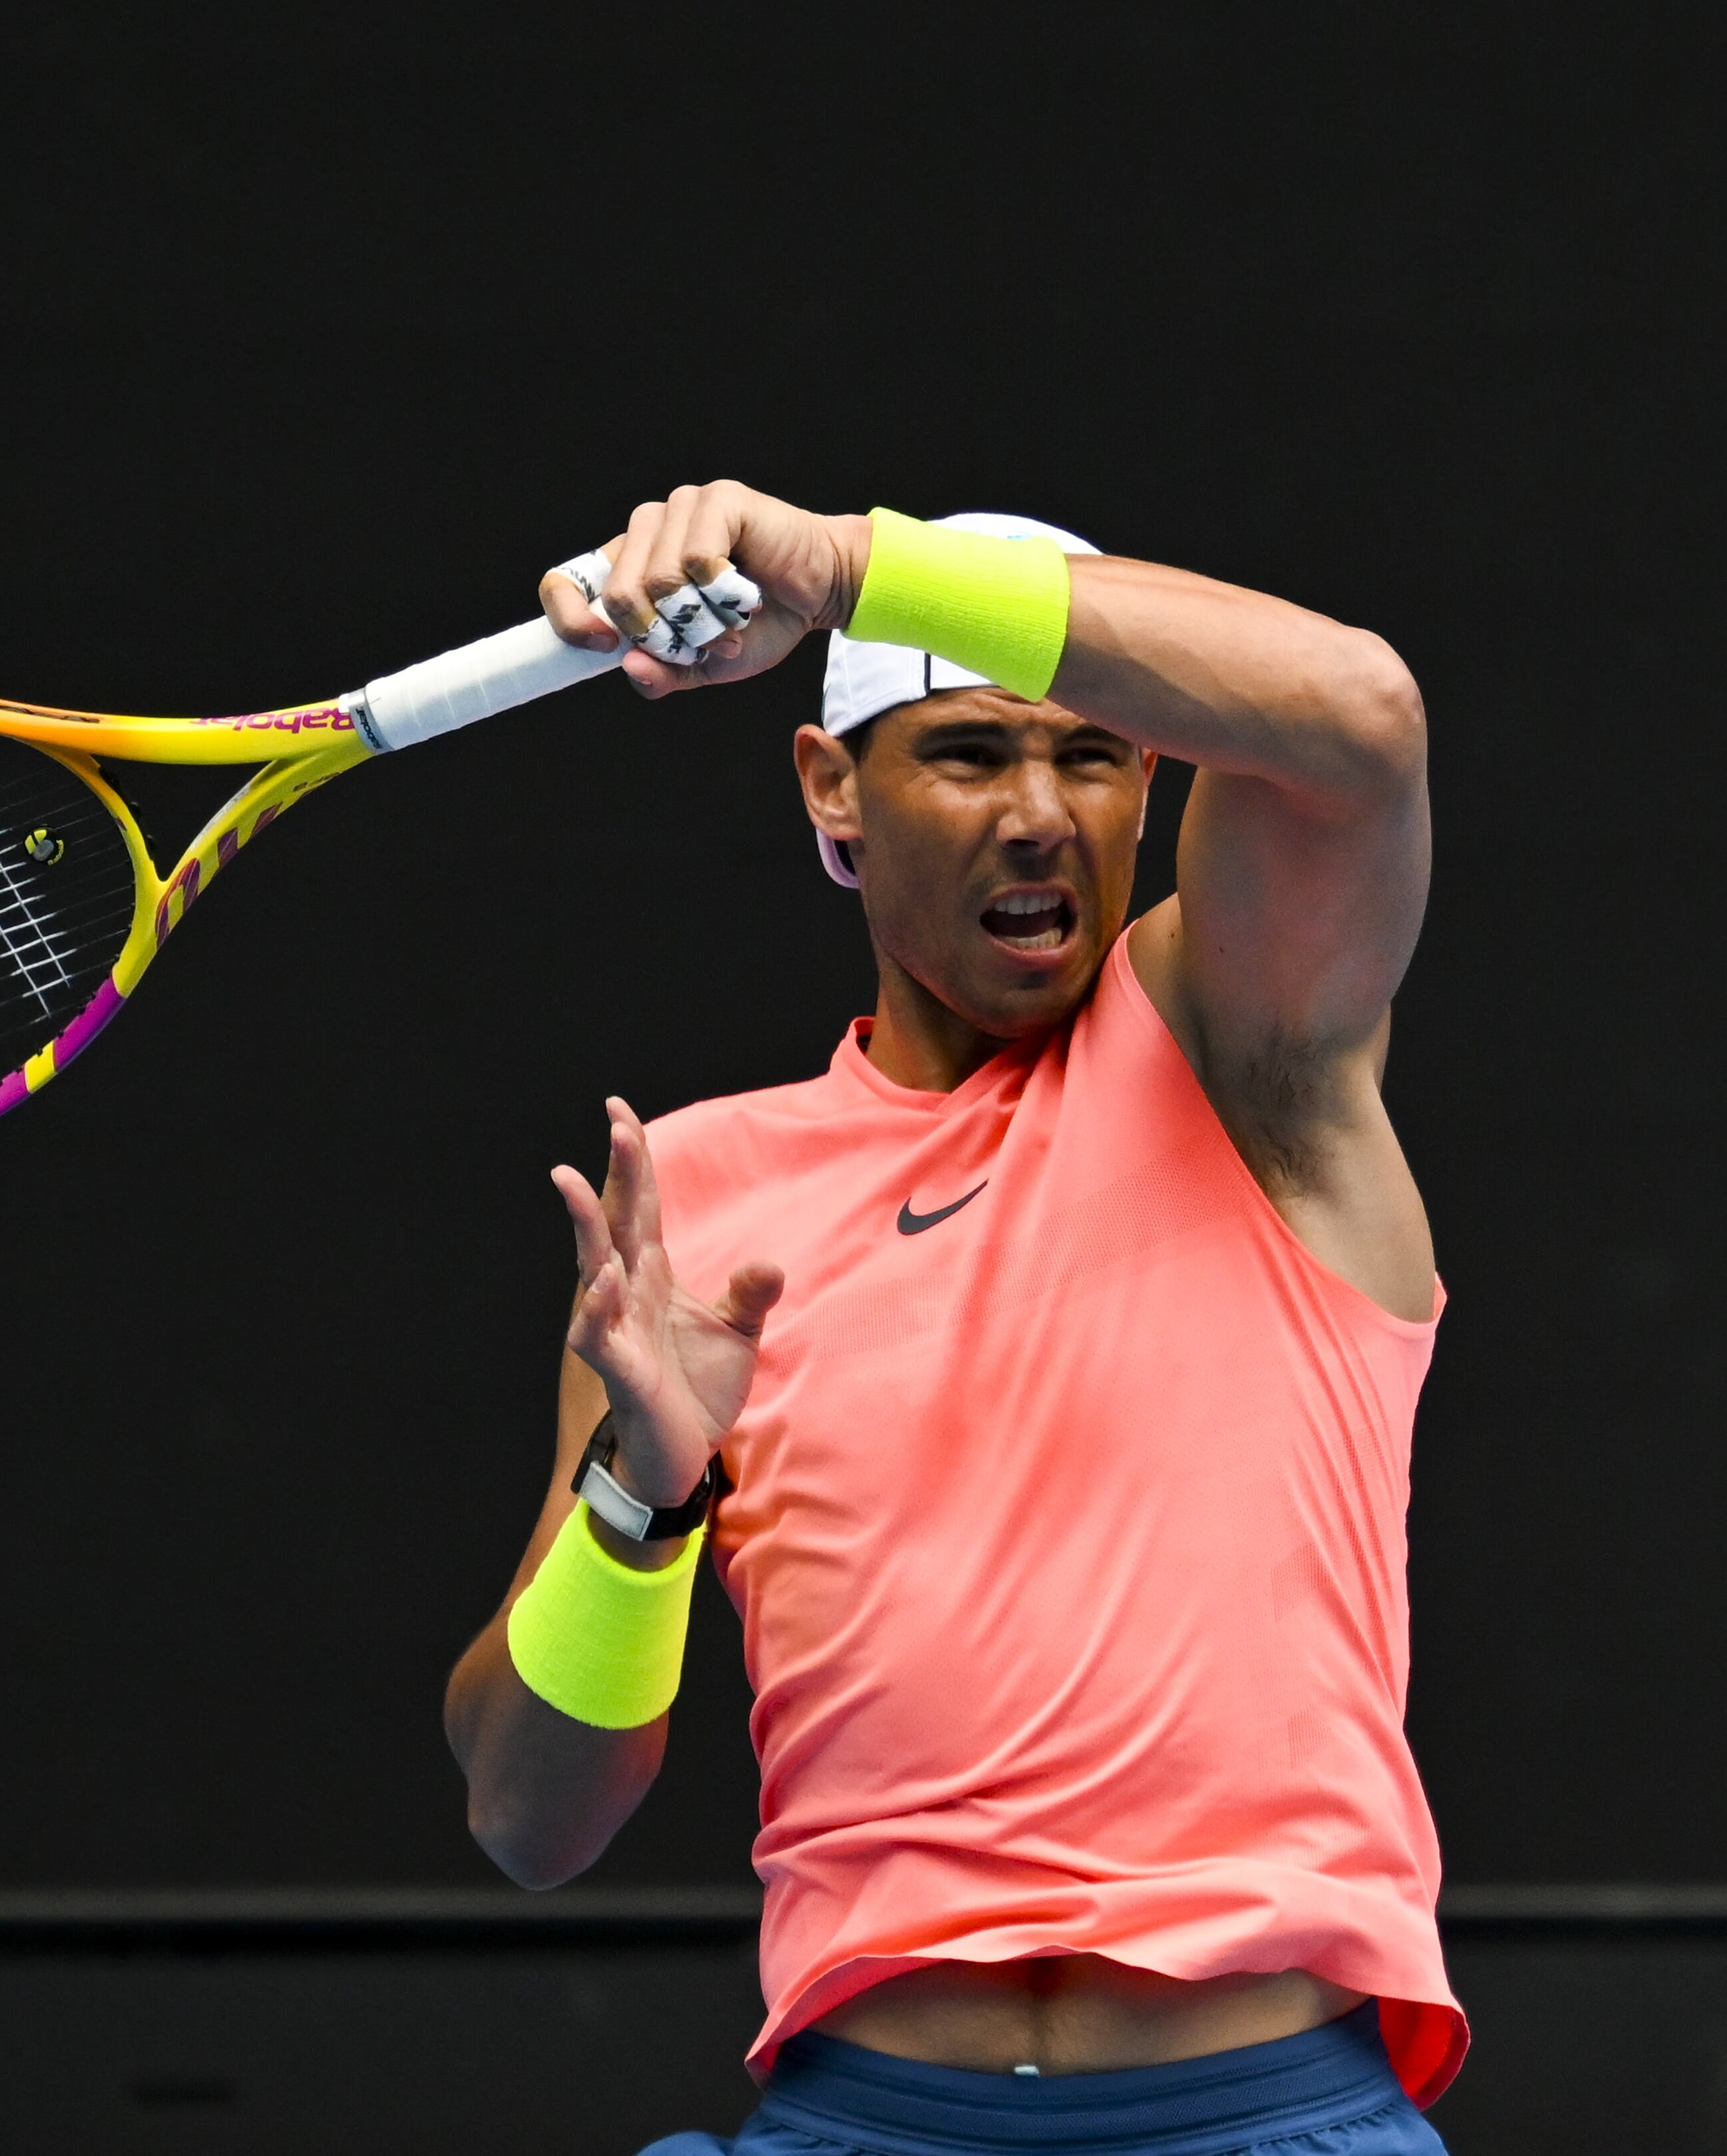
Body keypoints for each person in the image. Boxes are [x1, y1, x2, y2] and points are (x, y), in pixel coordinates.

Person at [441, 484, 1454, 2156]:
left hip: (1266, 2117)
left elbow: (1361, 721)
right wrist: (642, 1498)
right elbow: (524, 1815)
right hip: (864, 2118)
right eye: (971, 754)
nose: (1044, 811)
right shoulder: (693, 1195)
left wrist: (843, 562)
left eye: (1096, 754)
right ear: (832, 785)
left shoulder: (1250, 1049)